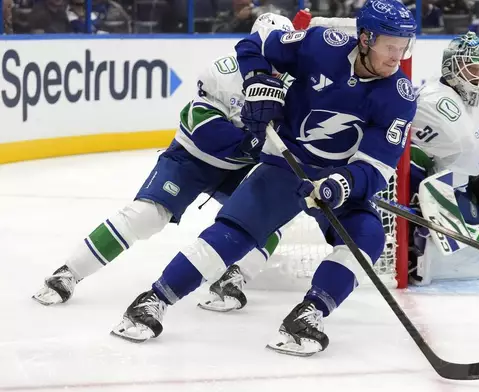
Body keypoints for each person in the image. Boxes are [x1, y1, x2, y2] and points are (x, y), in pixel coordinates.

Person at [110, 0, 417, 357]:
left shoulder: (399, 98)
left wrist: (339, 185)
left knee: (367, 237)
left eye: (403, 46)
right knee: (232, 235)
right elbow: (252, 46)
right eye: (389, 46)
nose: (397, 57)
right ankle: (153, 300)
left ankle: (309, 313)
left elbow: (377, 166)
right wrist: (258, 79)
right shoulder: (321, 44)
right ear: (365, 38)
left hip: (336, 179)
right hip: (285, 164)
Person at [32, 13, 295, 309]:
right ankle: (69, 272)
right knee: (146, 215)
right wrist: (251, 141)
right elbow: (203, 127)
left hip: (240, 168)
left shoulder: (292, 84)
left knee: (271, 217)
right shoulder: (224, 72)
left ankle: (235, 277)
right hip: (192, 159)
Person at [406, 31, 479, 286]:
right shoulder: (432, 102)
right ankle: (414, 247)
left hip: (461, 180)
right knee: (414, 181)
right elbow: (417, 151)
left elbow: (467, 144)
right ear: (451, 67)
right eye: (471, 69)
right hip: (433, 183)